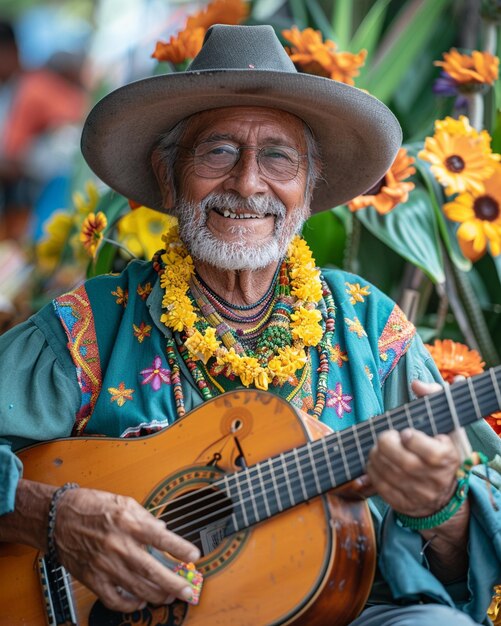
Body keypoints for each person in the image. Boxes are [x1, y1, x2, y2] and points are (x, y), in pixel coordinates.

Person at [0, 24, 500, 625]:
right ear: (168, 177)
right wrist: (48, 515)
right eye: (217, 151)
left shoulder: (369, 326)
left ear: (309, 189)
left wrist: (441, 509)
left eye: (278, 157)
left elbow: (465, 543)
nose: (246, 182)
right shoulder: (92, 327)